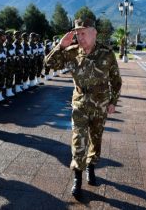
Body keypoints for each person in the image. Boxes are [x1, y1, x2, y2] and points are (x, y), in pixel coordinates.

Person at [44, 15, 122, 199]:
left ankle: (91, 166)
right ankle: (77, 177)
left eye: (84, 33)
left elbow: (116, 80)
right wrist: (61, 46)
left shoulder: (106, 53)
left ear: (94, 33)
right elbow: (48, 64)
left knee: (96, 138)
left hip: (100, 103)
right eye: (77, 33)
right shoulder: (71, 52)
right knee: (79, 139)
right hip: (80, 102)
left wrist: (113, 102)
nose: (80, 37)